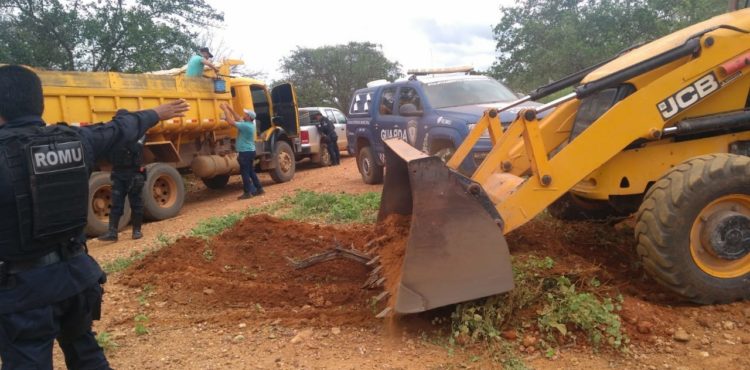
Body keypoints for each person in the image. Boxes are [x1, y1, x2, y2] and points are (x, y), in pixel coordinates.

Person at [0, 65, 189, 370]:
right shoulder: (77, 140)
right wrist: (156, 112)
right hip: (76, 280)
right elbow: (121, 127)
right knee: (86, 355)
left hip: (23, 294)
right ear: (40, 103)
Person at [97, 128, 147, 242]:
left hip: (133, 174)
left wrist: (123, 141)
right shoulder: (115, 137)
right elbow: (107, 153)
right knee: (116, 204)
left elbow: (136, 148)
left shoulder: (139, 133)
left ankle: (136, 231)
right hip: (119, 174)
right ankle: (112, 232)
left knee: (136, 203)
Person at [220, 103, 264, 199]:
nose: (243, 115)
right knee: (251, 171)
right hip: (249, 152)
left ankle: (247, 193)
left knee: (245, 173)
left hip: (245, 153)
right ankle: (259, 189)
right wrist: (230, 109)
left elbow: (231, 122)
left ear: (248, 117)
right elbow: (237, 118)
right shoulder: (248, 124)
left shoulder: (245, 126)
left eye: (245, 114)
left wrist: (225, 110)